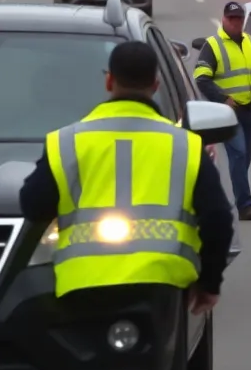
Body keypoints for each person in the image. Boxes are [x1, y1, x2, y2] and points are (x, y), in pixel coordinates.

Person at [19, 41, 235, 313]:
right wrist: (210, 283)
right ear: (155, 85)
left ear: (109, 82)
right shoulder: (185, 145)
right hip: (161, 286)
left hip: (82, 288)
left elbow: (32, 206)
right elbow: (218, 219)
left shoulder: (67, 142)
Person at [193, 1, 251, 220]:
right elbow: (201, 78)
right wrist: (223, 99)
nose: (236, 23)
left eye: (239, 19)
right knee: (238, 153)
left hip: (249, 110)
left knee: (244, 158)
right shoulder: (213, 45)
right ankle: (245, 205)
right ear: (223, 19)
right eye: (232, 19)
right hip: (228, 113)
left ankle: (237, 198)